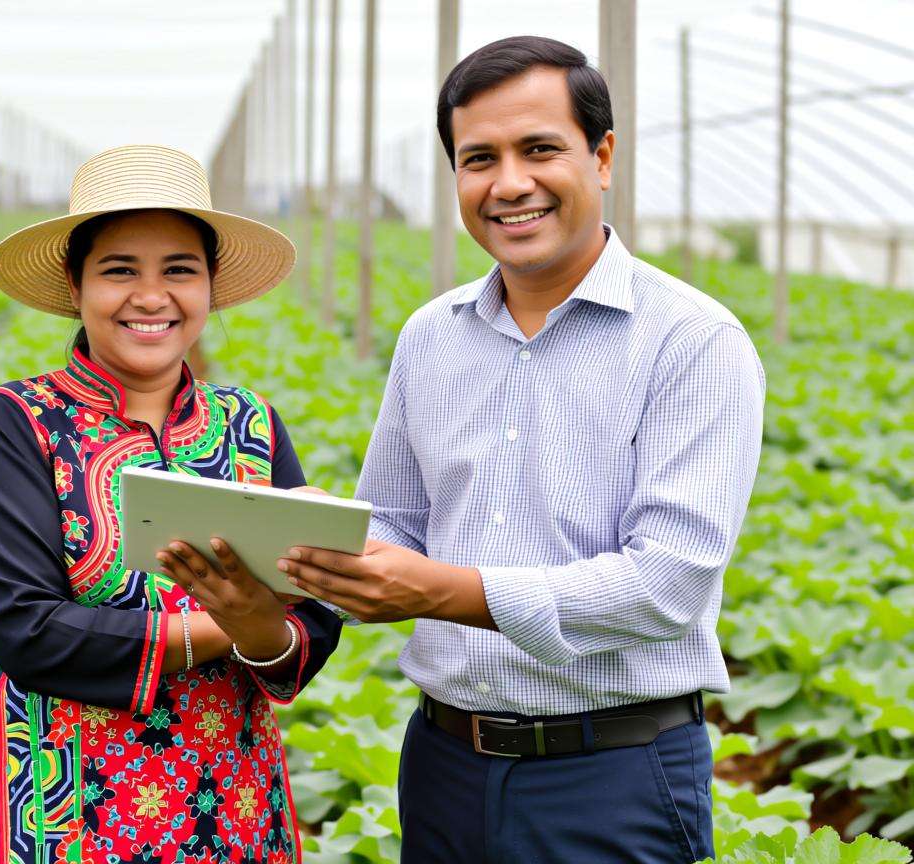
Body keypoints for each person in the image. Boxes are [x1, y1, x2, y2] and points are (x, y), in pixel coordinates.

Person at [278, 35, 765, 864]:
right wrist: (325, 548)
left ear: (601, 157)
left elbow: (667, 584)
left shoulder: (693, 341)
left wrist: (444, 591)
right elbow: (397, 520)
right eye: (479, 159)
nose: (508, 184)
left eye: (539, 149)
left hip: (611, 776)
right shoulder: (431, 336)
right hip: (444, 764)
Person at [0, 144, 340, 864]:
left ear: (211, 286)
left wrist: (277, 618)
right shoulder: (18, 422)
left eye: (180, 270)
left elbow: (308, 631)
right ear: (75, 284)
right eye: (120, 270)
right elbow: (26, 630)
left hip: (234, 804)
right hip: (61, 812)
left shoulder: (252, 423)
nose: (152, 297)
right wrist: (230, 623)